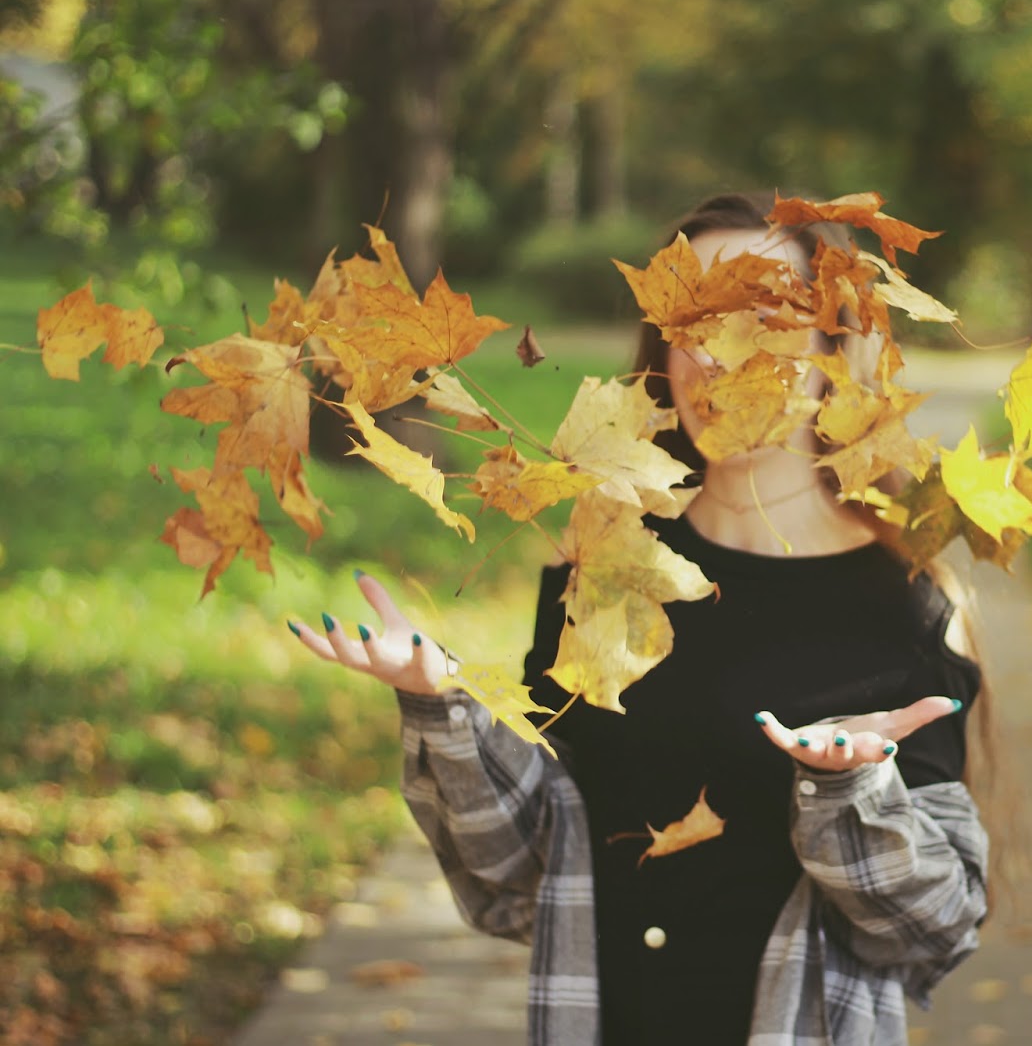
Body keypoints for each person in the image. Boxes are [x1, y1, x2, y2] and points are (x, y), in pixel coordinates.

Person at [288, 192, 990, 1046]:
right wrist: (444, 707)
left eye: (760, 315)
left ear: (831, 344)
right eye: (687, 317)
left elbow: (934, 933)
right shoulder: (602, 564)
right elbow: (518, 882)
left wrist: (852, 794)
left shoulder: (906, 610)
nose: (714, 351)